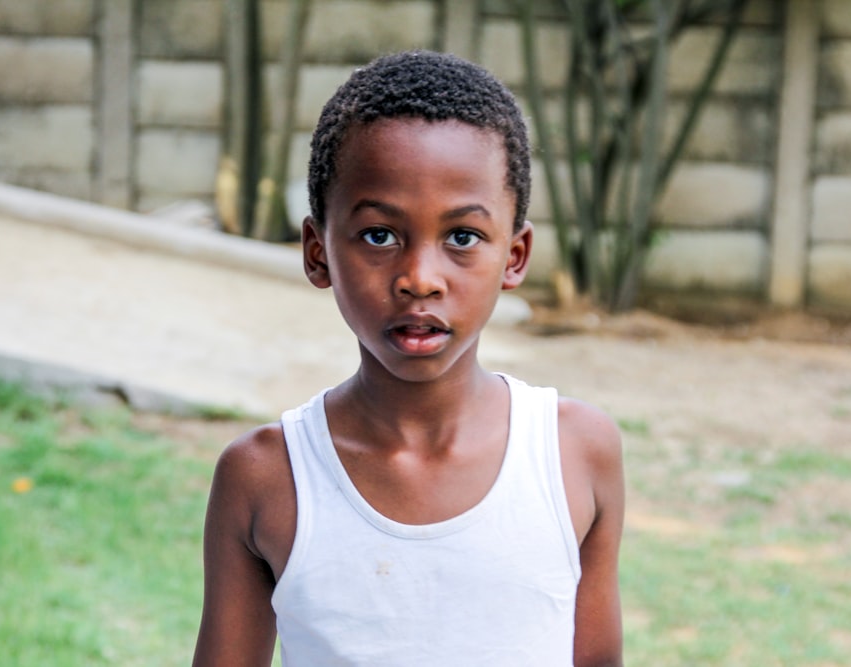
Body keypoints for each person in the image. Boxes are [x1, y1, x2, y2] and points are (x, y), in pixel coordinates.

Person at [192, 50, 625, 667]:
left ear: (516, 256)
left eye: (462, 238)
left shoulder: (575, 453)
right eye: (379, 235)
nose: (420, 278)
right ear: (317, 253)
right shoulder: (265, 477)